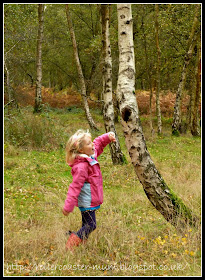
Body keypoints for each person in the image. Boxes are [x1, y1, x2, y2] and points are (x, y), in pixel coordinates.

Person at [62, 129, 116, 251]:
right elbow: (75, 187)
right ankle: (71, 242)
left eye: (90, 142)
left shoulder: (89, 156)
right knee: (91, 225)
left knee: (86, 224)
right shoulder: (81, 166)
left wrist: (107, 136)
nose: (92, 145)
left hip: (90, 198)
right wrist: (68, 206)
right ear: (81, 150)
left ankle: (81, 243)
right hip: (87, 199)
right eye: (88, 143)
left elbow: (98, 143)